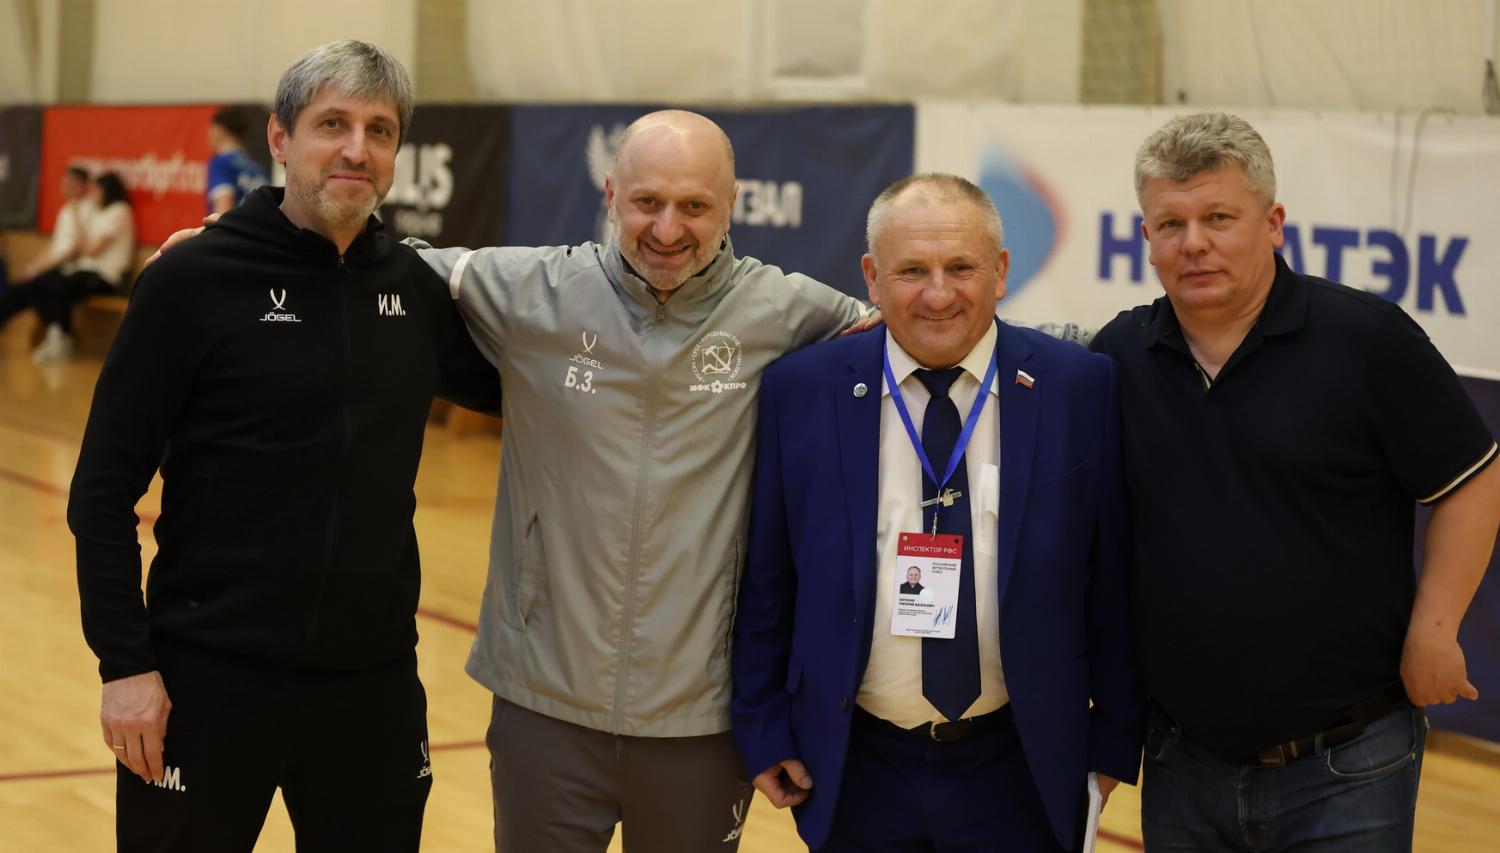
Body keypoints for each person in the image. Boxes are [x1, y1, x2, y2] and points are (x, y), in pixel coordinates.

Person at [404, 109, 881, 851]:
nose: (667, 228)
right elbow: (380, 264)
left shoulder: (792, 314)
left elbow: (932, 327)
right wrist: (246, 245)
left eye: (694, 206)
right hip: (543, 704)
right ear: (610, 194)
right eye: (647, 202)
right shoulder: (530, 291)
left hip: (702, 719)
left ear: (732, 205)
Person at [68, 40, 498, 852]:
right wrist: (124, 665)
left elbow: (546, 386)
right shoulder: (191, 280)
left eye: (379, 130)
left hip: (371, 686)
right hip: (205, 680)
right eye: (332, 124)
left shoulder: (414, 290)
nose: (356, 149)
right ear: (279, 137)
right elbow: (100, 490)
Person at [1089, 112, 1500, 852]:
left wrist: (1436, 628)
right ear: (1146, 237)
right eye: (1171, 224)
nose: (1194, 243)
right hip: (1182, 761)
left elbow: (1473, 479)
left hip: (1350, 761)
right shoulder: (1121, 354)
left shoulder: (1367, 339)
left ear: (1273, 224)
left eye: (1219, 218)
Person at [731, 173, 1145, 852]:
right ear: (872, 277)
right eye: (911, 270)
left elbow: (1114, 578)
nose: (938, 293)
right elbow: (768, 579)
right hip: (854, 766)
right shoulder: (802, 390)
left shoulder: (1077, 385)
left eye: (961, 267)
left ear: (1001, 271)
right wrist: (763, 726)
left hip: (1023, 765)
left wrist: (1114, 740)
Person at [2, 170, 135, 362]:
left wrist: (76, 217)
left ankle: (60, 338)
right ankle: (56, 335)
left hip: (106, 276)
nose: (92, 195)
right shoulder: (95, 212)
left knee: (58, 286)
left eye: (95, 191)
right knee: (39, 283)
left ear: (106, 191)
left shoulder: (120, 211)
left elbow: (90, 249)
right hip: (82, 271)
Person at [205, 106, 269, 214]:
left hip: (236, 224)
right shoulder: (258, 169)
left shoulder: (222, 163)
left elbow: (223, 208)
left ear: (220, 131)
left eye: (211, 129)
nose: (208, 135)